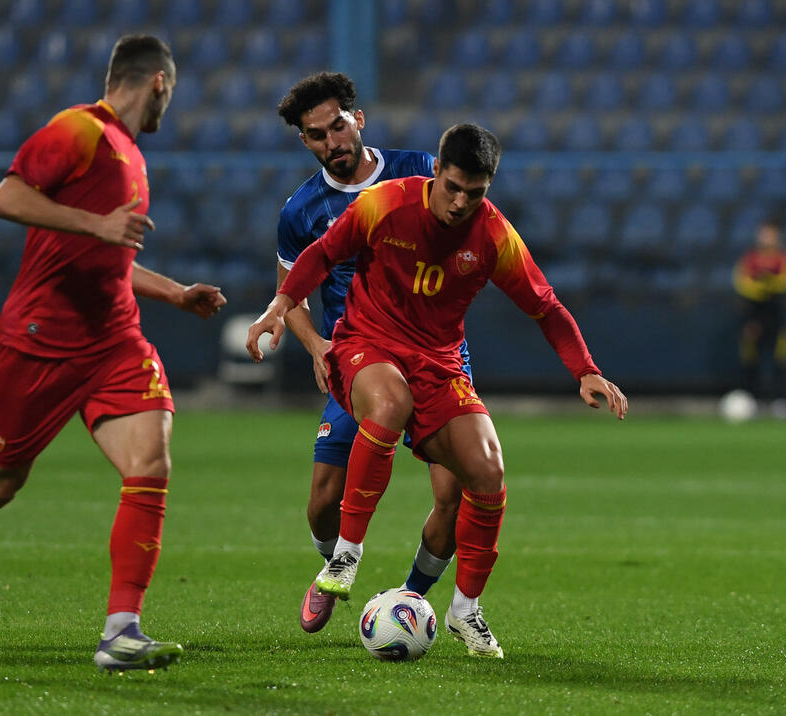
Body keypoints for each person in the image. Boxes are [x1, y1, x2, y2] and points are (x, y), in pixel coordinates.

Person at [0, 34, 227, 672]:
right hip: (39, 341)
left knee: (151, 458)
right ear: (159, 84)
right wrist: (98, 224)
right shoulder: (78, 131)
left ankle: (120, 631)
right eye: (171, 93)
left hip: (113, 339)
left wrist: (175, 293)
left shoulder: (131, 155)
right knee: (0, 481)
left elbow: (111, 260)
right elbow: (7, 197)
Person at [248, 123, 626, 658]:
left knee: (488, 469)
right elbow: (322, 256)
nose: (460, 202)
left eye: (475, 193)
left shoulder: (494, 236)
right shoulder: (386, 205)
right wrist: (279, 307)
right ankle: (346, 556)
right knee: (388, 404)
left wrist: (585, 369)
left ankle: (464, 611)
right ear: (436, 173)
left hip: (439, 364)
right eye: (452, 187)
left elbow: (546, 306)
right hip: (367, 342)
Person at [275, 72, 468, 635]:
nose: (332, 141)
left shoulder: (421, 172)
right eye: (316, 135)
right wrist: (315, 345)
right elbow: (290, 289)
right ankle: (333, 563)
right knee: (321, 501)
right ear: (306, 143)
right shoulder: (301, 211)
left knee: (453, 493)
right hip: (360, 359)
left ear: (358, 121)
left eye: (337, 125)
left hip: (435, 353)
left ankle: (408, 598)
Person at [733, 218, 786, 410]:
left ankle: (780, 400)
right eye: (764, 234)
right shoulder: (749, 259)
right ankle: (753, 399)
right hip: (754, 314)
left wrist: (765, 284)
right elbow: (743, 284)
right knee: (751, 356)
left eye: (771, 235)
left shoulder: (784, 259)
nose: (767, 238)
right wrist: (763, 286)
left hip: (777, 315)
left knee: (781, 357)